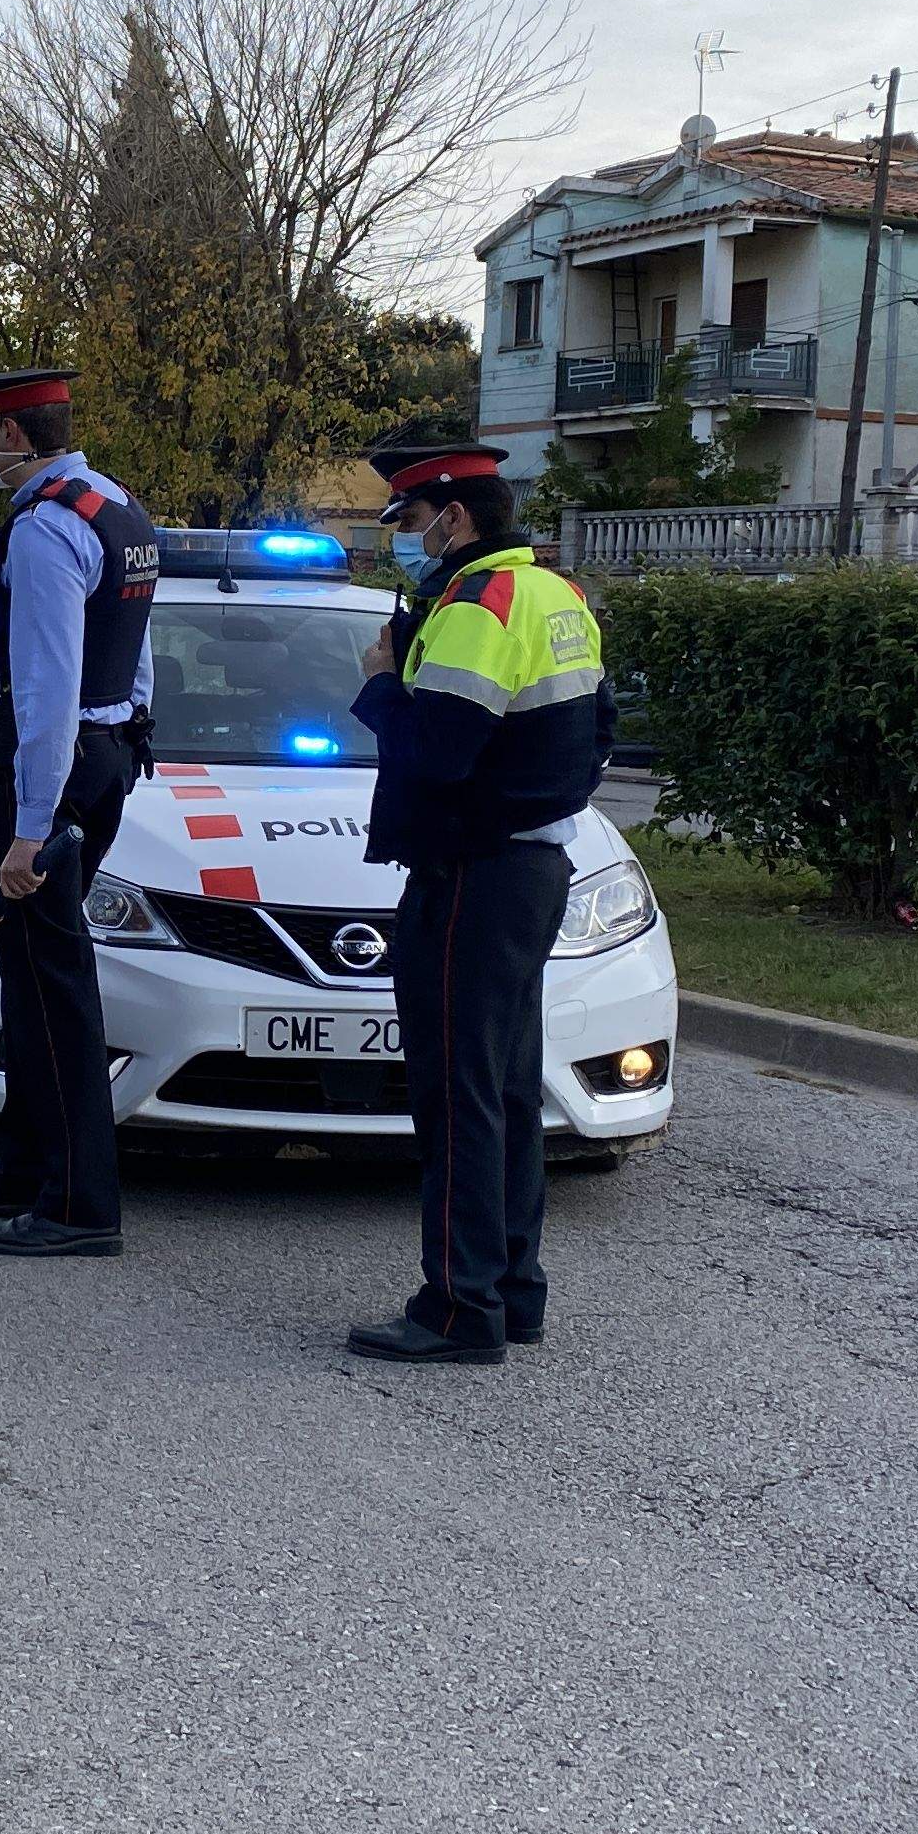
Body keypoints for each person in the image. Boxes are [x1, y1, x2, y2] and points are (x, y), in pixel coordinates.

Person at [341, 431, 610, 1364]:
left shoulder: (476, 600)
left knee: (458, 1095)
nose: (406, 539)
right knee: (502, 1090)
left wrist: (380, 683)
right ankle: (512, 1291)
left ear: (453, 517)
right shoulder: (554, 591)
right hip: (533, 865)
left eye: (412, 521)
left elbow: (435, 754)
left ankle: (457, 1309)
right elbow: (594, 728)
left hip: (472, 874)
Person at [0, 366, 160, 1258]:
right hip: (105, 753)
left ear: (17, 438)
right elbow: (131, 656)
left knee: (52, 975)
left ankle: (77, 1204)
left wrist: (30, 827)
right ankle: (22, 1163)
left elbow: (47, 685)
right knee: (28, 967)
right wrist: (125, 740)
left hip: (49, 767)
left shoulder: (45, 528)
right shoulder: (117, 507)